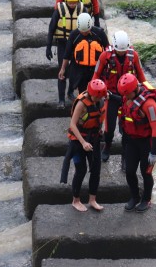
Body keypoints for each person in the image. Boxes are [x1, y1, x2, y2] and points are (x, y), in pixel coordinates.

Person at [92, 30, 147, 169]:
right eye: (119, 51)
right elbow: (96, 74)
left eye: (123, 51)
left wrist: (148, 92)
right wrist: (94, 93)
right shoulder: (105, 56)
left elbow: (141, 76)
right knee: (109, 128)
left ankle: (124, 155)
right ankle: (107, 146)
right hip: (111, 96)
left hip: (128, 99)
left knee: (126, 129)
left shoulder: (133, 56)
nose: (121, 53)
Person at [117, 73, 156, 213]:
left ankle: (146, 199)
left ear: (134, 89)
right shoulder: (127, 97)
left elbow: (155, 129)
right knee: (130, 171)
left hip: (146, 143)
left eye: (128, 94)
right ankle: (134, 197)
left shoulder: (149, 105)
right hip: (131, 140)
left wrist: (154, 152)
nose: (126, 97)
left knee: (145, 173)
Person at [65, 79, 108, 212]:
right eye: (95, 97)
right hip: (78, 141)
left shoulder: (102, 99)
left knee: (96, 169)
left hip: (94, 139)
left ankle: (92, 200)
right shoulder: (82, 104)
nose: (97, 99)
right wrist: (83, 143)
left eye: (99, 97)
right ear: (90, 93)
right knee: (81, 170)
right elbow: (72, 124)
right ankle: (76, 200)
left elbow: (103, 117)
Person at [46, 0, 84, 107]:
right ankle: (61, 99)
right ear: (66, 0)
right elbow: (51, 28)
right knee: (62, 70)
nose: (72, 5)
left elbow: (89, 27)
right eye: (70, 2)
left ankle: (71, 92)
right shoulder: (59, 10)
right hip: (63, 43)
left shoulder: (83, 9)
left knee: (75, 70)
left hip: (77, 44)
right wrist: (48, 46)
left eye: (75, 2)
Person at [58, 13, 109, 96]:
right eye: (82, 31)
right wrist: (63, 69)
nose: (84, 33)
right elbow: (67, 54)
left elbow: (108, 50)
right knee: (83, 92)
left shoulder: (99, 33)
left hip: (95, 68)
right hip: (79, 68)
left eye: (86, 31)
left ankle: (94, 106)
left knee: (95, 91)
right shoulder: (74, 35)